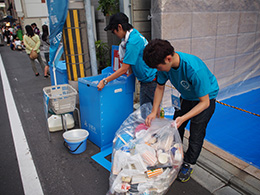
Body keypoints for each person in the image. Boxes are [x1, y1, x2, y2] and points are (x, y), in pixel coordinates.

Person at [143, 39, 219, 182]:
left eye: (158, 67)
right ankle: (174, 155)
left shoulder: (193, 69)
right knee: (175, 127)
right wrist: (154, 111)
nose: (158, 70)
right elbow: (160, 87)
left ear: (168, 58)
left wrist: (184, 117)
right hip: (187, 96)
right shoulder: (166, 66)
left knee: (196, 133)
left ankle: (189, 163)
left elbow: (205, 102)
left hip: (205, 99)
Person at [97, 12, 157, 108]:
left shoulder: (133, 42)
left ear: (120, 27)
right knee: (147, 112)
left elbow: (124, 68)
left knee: (150, 113)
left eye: (113, 31)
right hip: (147, 80)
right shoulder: (132, 35)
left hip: (151, 81)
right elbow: (131, 65)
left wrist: (104, 81)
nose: (114, 34)